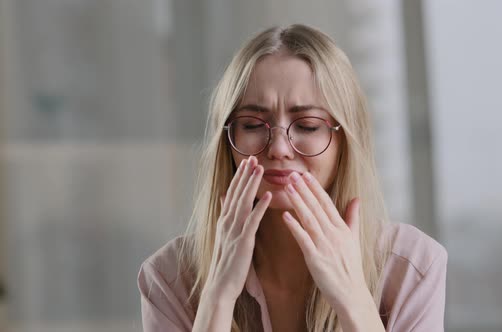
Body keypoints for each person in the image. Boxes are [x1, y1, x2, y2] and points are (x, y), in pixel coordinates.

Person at [137, 24, 447, 332]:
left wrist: (353, 300)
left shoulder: (413, 267)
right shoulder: (168, 277)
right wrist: (217, 296)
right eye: (252, 125)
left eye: (309, 126)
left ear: (345, 143)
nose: (279, 148)